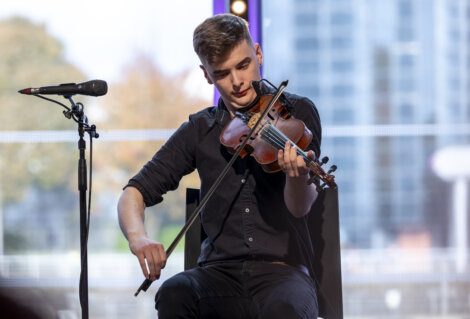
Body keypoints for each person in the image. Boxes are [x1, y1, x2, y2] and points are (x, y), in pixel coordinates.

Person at [118, 13, 322, 318]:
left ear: (258, 54)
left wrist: (297, 176)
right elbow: (133, 192)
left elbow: (300, 207)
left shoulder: (295, 113)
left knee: (286, 307)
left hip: (283, 274)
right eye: (223, 73)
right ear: (207, 75)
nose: (238, 82)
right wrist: (138, 238)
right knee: (174, 294)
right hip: (217, 274)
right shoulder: (201, 129)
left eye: (243, 65)